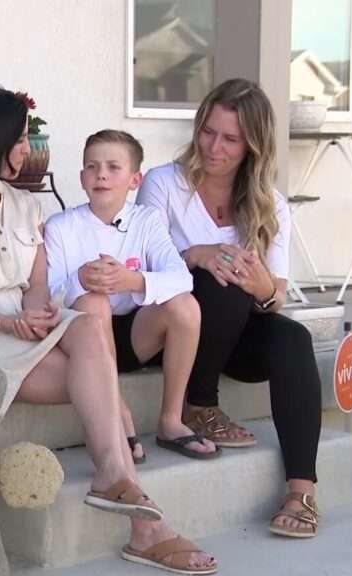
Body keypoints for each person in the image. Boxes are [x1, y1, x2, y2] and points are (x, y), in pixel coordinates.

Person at [0, 88, 217, 574]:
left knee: (88, 323)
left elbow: (38, 282)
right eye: (20, 139)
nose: (28, 149)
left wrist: (37, 311)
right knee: (97, 382)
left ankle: (115, 478)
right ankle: (143, 522)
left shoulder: (25, 204)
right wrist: (10, 323)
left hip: (27, 320)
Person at [136, 78, 323, 538]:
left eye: (230, 139)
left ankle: (301, 491)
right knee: (217, 272)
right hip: (173, 332)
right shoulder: (164, 184)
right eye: (208, 131)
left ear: (252, 147)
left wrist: (262, 286)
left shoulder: (270, 204)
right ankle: (198, 404)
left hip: (233, 333)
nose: (213, 147)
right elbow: (141, 266)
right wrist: (195, 255)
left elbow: (276, 296)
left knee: (293, 338)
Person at [45, 129, 218, 463]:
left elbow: (181, 278)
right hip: (84, 344)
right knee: (94, 300)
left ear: (135, 180)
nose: (102, 175)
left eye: (113, 167)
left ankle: (171, 420)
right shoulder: (60, 226)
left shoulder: (146, 220)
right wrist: (80, 279)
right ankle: (117, 415)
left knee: (185, 305)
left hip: (134, 336)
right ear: (81, 177)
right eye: (92, 167)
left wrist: (131, 280)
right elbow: (50, 296)